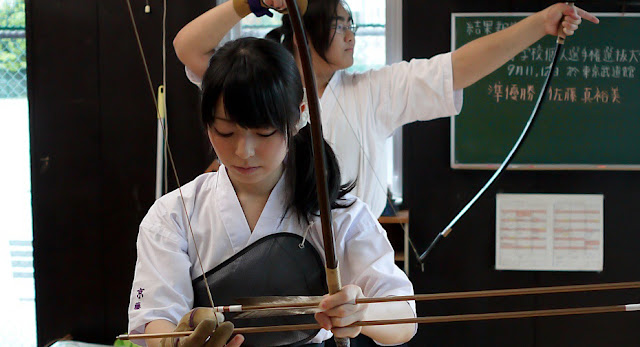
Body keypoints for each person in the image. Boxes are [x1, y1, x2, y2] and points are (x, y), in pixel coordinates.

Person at [173, 0, 599, 218]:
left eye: (352, 24)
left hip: (348, 253)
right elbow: (187, 47)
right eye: (340, 23)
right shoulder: (260, 81)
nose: (350, 35)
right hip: (265, 247)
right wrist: (249, 3)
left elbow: (456, 68)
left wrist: (539, 25)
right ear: (307, 25)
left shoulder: (372, 89)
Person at [128, 37, 416, 346]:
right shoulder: (172, 214)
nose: (244, 151)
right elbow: (155, 317)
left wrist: (360, 313)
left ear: (299, 115)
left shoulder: (340, 214)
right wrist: (173, 342)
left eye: (264, 132)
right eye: (226, 132)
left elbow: (402, 317)